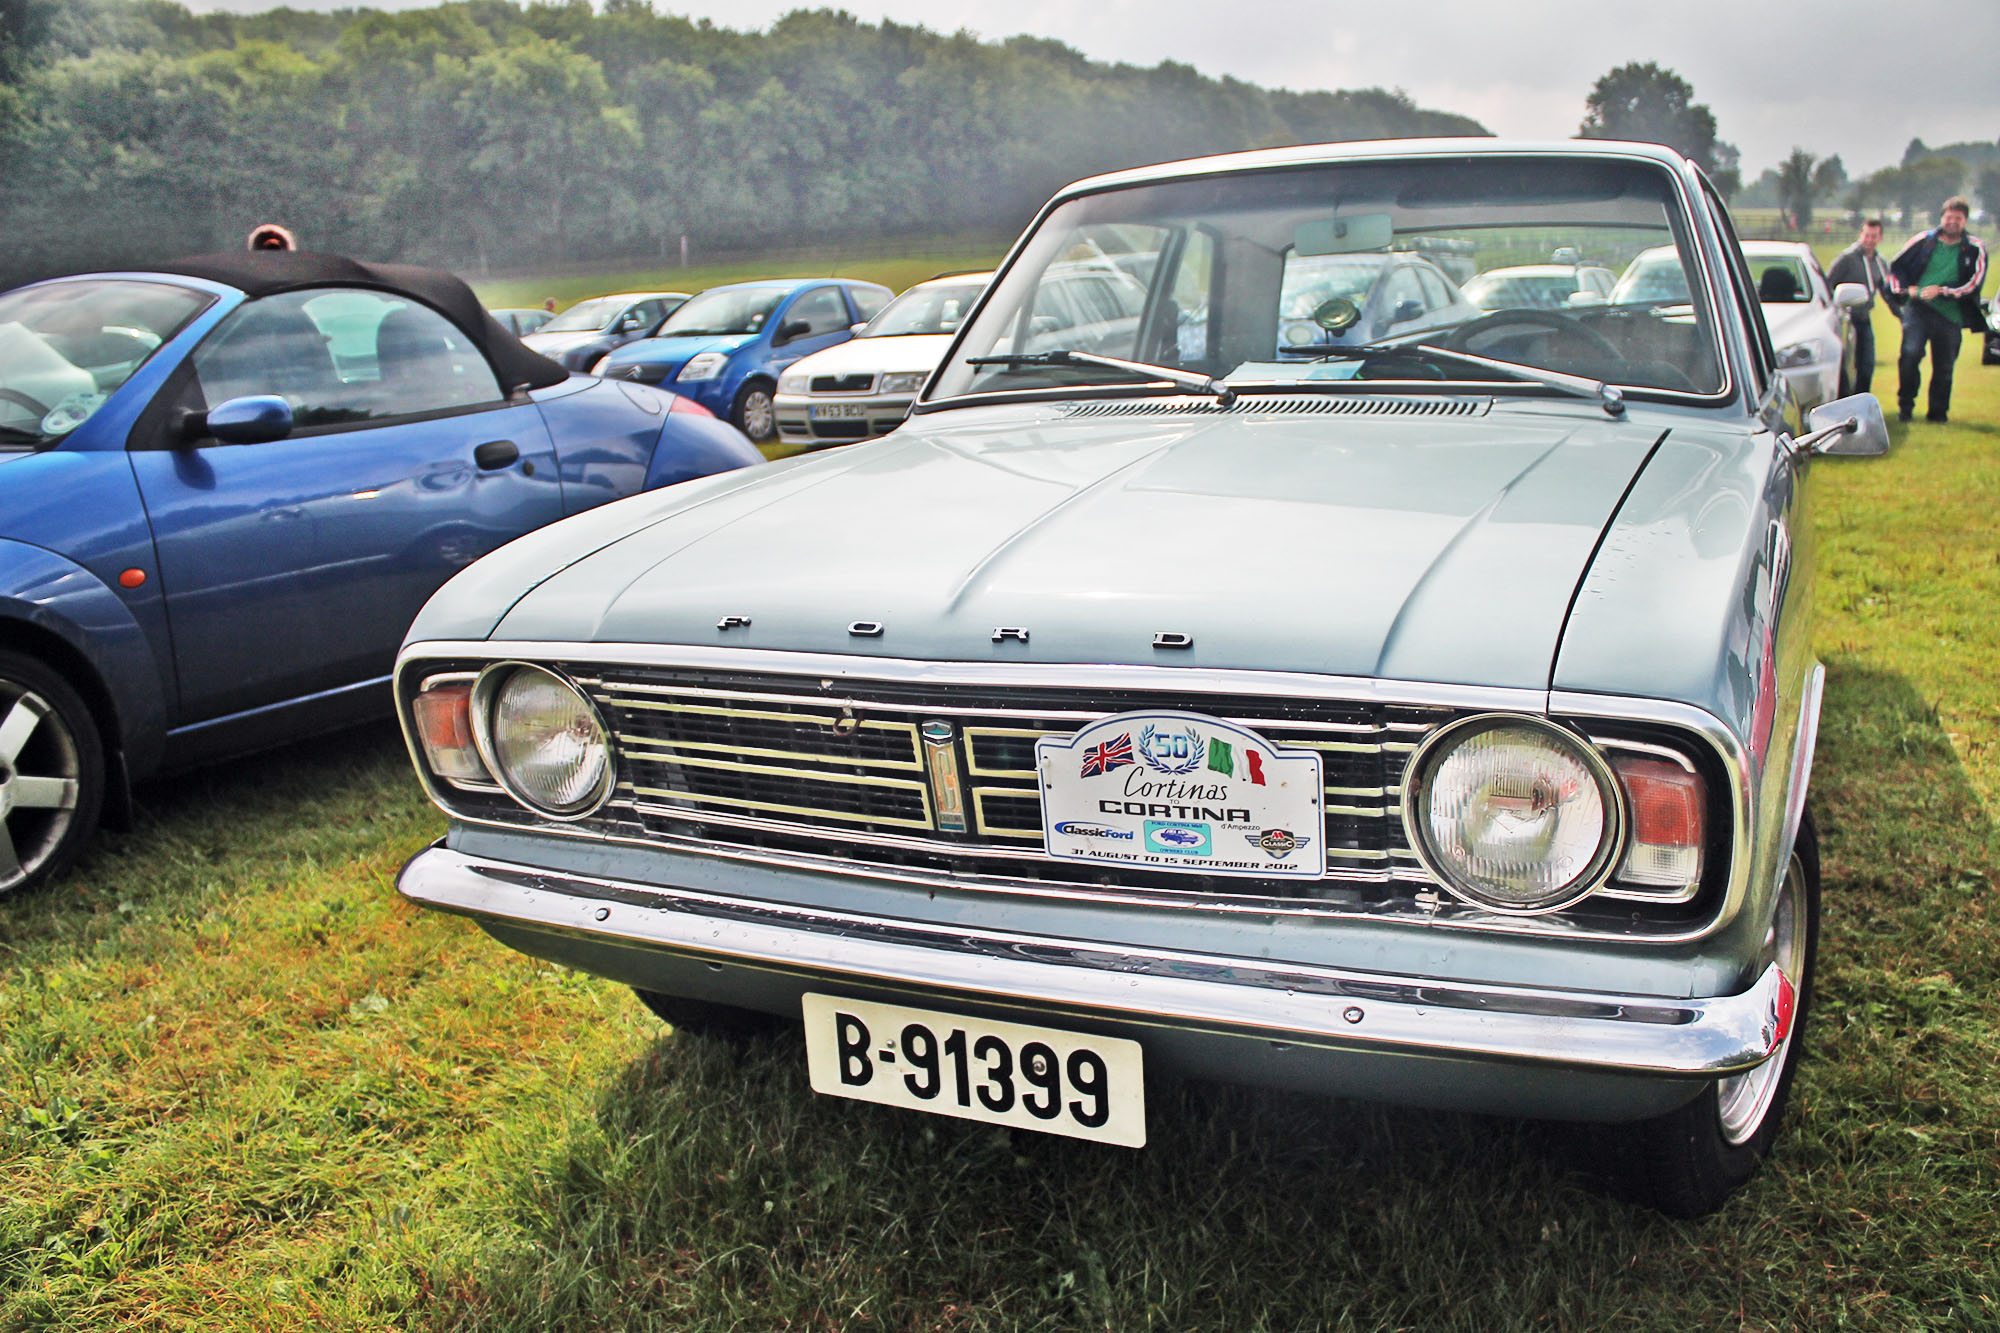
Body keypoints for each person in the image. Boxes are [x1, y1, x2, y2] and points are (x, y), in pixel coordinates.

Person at [1887, 196, 1989, 423]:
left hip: (1950, 314)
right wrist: (1908, 291)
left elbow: (1974, 283)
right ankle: (1905, 408)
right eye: (1949, 217)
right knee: (1910, 355)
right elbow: (1895, 269)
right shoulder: (1923, 241)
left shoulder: (1975, 248)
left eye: (1958, 218)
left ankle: (1938, 414)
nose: (1953, 222)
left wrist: (1942, 291)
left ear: (1965, 221)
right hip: (1918, 310)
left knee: (1944, 366)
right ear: (1942, 218)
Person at [1827, 218, 1891, 394]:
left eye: (1874, 236)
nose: (1869, 240)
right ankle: (1843, 399)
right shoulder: (1847, 258)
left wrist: (1901, 315)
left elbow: (1886, 290)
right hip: (1846, 318)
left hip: (1864, 317)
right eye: (1866, 235)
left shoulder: (1879, 262)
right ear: (1861, 235)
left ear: (1880, 238)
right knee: (1845, 364)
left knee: (1867, 363)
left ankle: (1861, 399)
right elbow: (1828, 283)